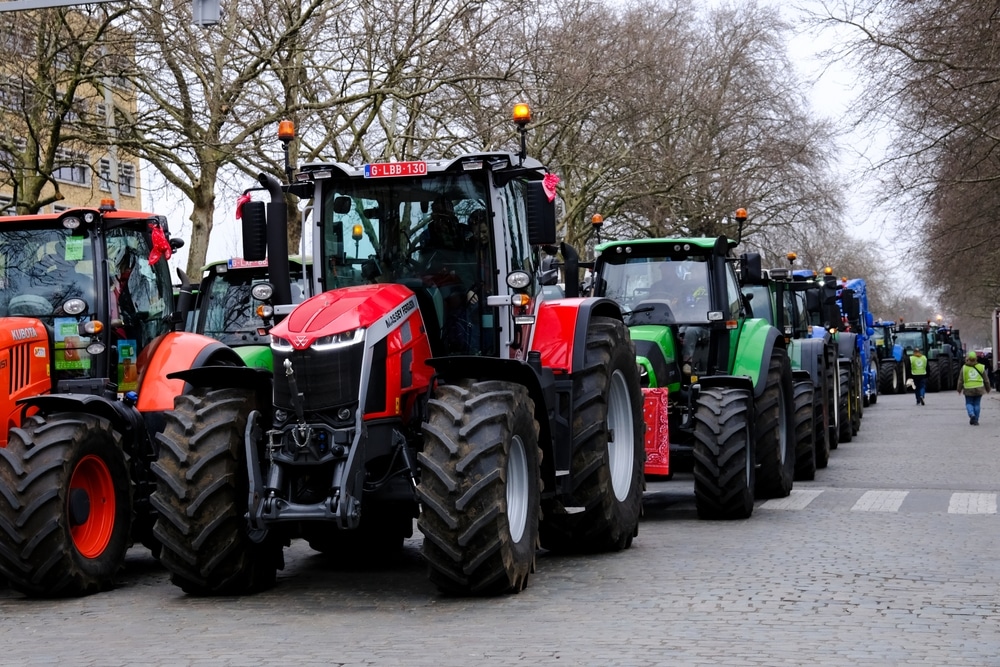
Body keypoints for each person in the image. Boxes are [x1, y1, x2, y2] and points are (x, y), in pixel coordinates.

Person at [957, 349, 991, 425]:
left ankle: (971, 414)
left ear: (967, 358)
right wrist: (988, 388)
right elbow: (986, 380)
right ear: (976, 358)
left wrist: (959, 389)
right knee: (977, 404)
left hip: (968, 389)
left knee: (969, 403)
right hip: (979, 388)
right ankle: (976, 419)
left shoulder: (964, 368)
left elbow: (960, 380)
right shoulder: (981, 367)